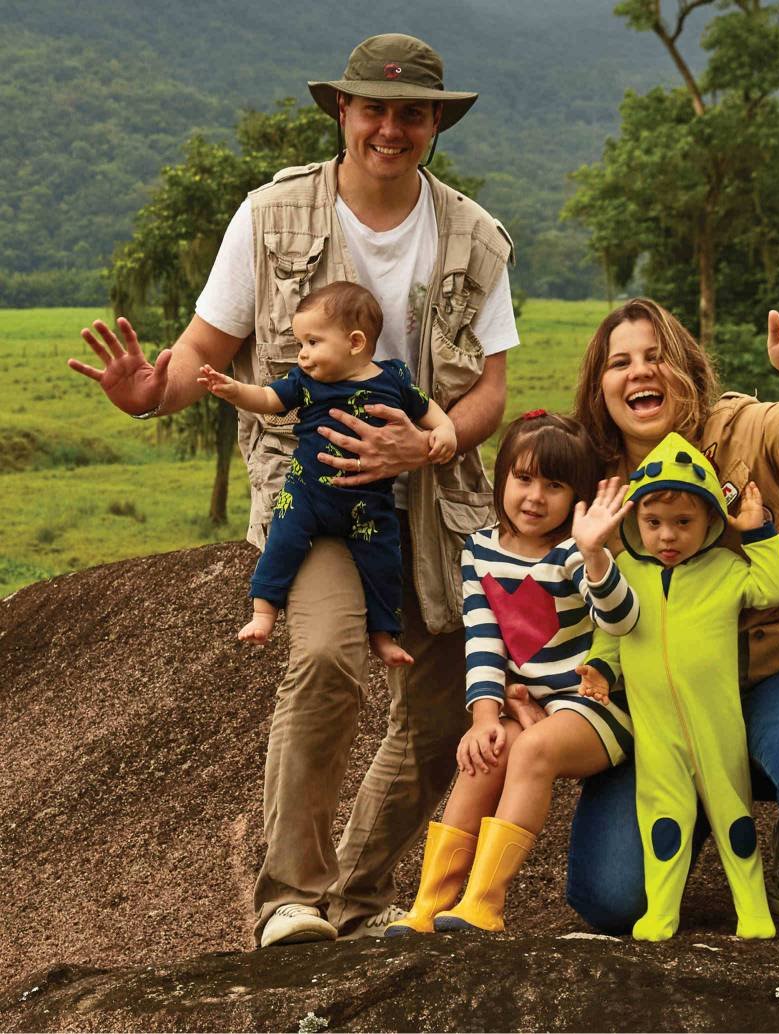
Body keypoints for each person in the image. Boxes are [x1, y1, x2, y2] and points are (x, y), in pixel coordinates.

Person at [67, 33, 518, 948]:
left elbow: (493, 390)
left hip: (432, 501)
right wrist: (146, 395)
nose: (391, 128)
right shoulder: (269, 216)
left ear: (436, 124)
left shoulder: (474, 234)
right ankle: (288, 897)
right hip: (311, 496)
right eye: (374, 109)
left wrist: (429, 441)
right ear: (342, 114)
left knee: (443, 713)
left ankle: (355, 896)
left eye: (413, 113)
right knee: (323, 659)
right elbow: (202, 351)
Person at [542, 293, 779, 933]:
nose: (640, 372)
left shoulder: (735, 430)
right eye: (620, 363)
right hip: (661, 710)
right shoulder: (591, 477)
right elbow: (524, 552)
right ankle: (696, 809)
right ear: (599, 387)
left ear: (689, 370)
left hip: (772, 676)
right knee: (610, 901)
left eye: (656, 356)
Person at [385, 411, 638, 936]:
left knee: (529, 749)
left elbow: (622, 620)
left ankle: (485, 902)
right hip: (526, 706)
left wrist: (595, 555)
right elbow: (483, 642)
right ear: (502, 479)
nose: (534, 497)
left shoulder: (575, 554)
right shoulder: (479, 551)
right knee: (485, 756)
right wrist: (484, 717)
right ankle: (429, 904)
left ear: (578, 497)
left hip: (598, 708)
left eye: (554, 485)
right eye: (523, 479)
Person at [575, 432, 779, 941]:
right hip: (656, 732)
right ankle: (662, 912)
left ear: (711, 521)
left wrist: (757, 531)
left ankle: (753, 908)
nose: (667, 536)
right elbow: (611, 631)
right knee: (664, 817)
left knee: (732, 815)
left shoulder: (727, 568)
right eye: (653, 523)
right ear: (633, 522)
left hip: (716, 726)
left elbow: (775, 587)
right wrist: (599, 671)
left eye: (683, 523)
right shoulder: (624, 571)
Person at [198, 281, 457, 662]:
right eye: (301, 344)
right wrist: (236, 391)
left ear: (355, 342)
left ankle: (384, 636)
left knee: (385, 564)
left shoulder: (394, 379)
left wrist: (446, 429)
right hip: (307, 495)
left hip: (369, 504)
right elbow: (269, 400)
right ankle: (263, 613)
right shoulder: (305, 382)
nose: (302, 355)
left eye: (312, 343)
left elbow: (426, 409)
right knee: (283, 543)